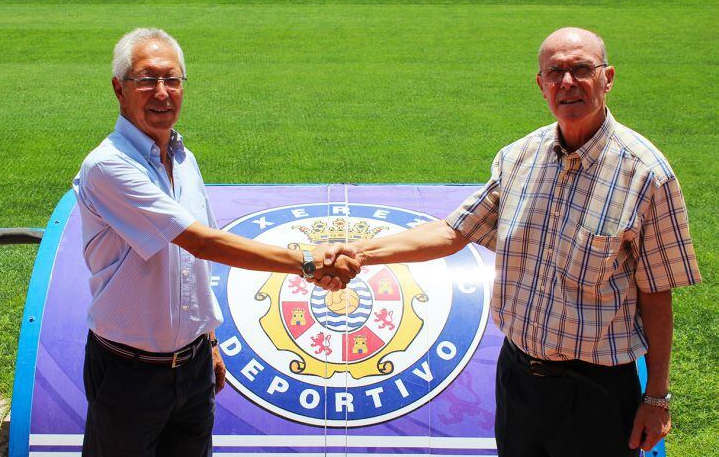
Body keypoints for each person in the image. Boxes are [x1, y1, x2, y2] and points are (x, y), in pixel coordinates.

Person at [320, 27, 701, 456]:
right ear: (541, 85)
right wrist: (358, 253)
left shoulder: (647, 175)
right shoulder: (518, 157)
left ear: (607, 77)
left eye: (581, 69)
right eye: (555, 72)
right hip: (519, 378)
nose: (568, 82)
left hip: (597, 393)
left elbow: (657, 294)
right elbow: (452, 232)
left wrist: (657, 398)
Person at [72, 28, 358, 457]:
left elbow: (192, 268)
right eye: (147, 79)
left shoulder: (184, 159)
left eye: (173, 80)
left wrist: (208, 340)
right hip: (127, 373)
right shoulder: (108, 166)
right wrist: (309, 264)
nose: (162, 93)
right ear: (119, 88)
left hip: (191, 370)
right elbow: (201, 242)